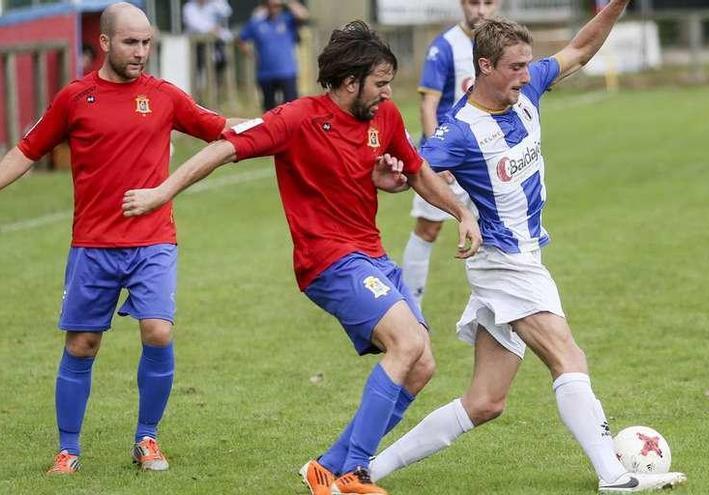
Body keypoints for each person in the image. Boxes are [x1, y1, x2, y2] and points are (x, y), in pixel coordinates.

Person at [120, 20, 482, 495]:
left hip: (371, 255)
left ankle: (327, 468)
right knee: (407, 344)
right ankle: (354, 471)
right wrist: (161, 192)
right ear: (350, 82)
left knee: (422, 364)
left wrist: (460, 212)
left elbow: (417, 172)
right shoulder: (295, 119)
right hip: (327, 261)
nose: (388, 93)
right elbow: (222, 150)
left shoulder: (384, 119)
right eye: (380, 83)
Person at [368, 6, 688, 493]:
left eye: (527, 64)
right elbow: (413, 173)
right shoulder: (459, 132)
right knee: (568, 356)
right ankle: (615, 476)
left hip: (524, 258)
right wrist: (391, 178)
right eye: (515, 67)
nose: (526, 73)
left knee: (484, 402)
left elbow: (580, 48)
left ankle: (367, 469)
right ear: (484, 67)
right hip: (504, 262)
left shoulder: (529, 87)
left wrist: (617, 5)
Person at [0, 2, 242, 475]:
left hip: (153, 240)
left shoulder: (165, 96)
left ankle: (146, 439)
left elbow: (225, 131)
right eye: (132, 42)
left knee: (158, 329)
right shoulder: (74, 98)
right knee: (83, 344)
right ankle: (68, 449)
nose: (142, 52)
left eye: (148, 43)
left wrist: (291, 126)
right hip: (93, 245)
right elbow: (25, 152)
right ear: (106, 43)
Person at [401, 0, 499, 309]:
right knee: (429, 228)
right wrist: (434, 159)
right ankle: (409, 305)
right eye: (474, 2)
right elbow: (428, 106)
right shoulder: (444, 47)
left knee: (497, 230)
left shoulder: (501, 47)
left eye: (488, 3)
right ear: (462, 4)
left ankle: (497, 303)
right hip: (451, 158)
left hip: (487, 157)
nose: (480, 10)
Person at [239, 0, 309, 111]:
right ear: (265, 6)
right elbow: (241, 39)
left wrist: (288, 2)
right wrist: (252, 55)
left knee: (292, 110)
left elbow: (303, 15)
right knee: (269, 111)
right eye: (271, 5)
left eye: (277, 6)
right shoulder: (256, 23)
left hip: (287, 72)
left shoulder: (287, 20)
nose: (275, 8)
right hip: (265, 74)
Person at [183, 0, 233, 87]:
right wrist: (210, 29)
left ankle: (216, 86)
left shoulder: (212, 5)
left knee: (221, 61)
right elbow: (194, 24)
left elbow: (227, 11)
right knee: (197, 71)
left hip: (212, 44)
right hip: (195, 46)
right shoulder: (189, 7)